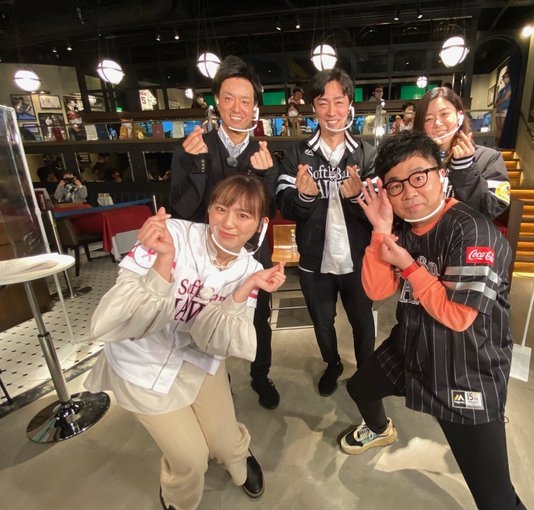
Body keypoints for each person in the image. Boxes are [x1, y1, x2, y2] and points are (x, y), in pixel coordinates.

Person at [339, 130, 525, 510]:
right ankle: (379, 429)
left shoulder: (473, 231)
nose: (408, 192)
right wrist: (380, 231)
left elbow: (458, 317)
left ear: (441, 174)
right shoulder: (402, 228)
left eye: (418, 177)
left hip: (466, 369)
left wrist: (409, 266)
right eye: (396, 185)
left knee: (496, 499)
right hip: (411, 346)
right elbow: (377, 290)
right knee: (360, 387)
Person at [85, 174, 286, 510]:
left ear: (260, 224)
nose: (228, 223)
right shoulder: (172, 234)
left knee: (225, 441)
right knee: (191, 458)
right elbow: (124, 317)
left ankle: (237, 458)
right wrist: (163, 261)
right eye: (221, 209)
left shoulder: (250, 268)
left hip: (197, 356)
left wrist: (244, 288)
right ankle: (179, 500)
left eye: (243, 215)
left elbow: (217, 340)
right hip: (141, 362)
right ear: (209, 209)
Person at [170, 55, 281, 410]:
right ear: (216, 101)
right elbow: (184, 211)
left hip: (251, 260)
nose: (237, 108)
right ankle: (219, 384)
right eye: (229, 98)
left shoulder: (263, 154)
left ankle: (261, 376)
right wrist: (198, 164)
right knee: (203, 320)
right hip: (203, 260)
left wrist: (265, 176)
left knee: (259, 319)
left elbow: (266, 215)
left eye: (245, 101)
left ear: (255, 107)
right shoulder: (193, 146)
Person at [276, 68, 376, 396]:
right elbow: (284, 205)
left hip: (358, 259)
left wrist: (359, 196)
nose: (331, 111)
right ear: (314, 108)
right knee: (322, 322)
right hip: (314, 259)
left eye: (339, 101)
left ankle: (366, 370)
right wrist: (303, 197)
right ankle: (332, 364)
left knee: (363, 321)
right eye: (323, 103)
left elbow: (380, 210)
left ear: (350, 105)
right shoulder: (297, 153)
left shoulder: (366, 153)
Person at [414, 87, 510, 219]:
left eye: (444, 114)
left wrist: (464, 169)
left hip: (466, 230)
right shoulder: (412, 160)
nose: (437, 123)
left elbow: (491, 209)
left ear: (459, 116)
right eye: (428, 119)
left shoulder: (488, 158)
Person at [494, 72, 512, 143]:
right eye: (504, 77)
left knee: (502, 127)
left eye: (507, 77)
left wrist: (498, 104)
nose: (505, 79)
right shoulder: (502, 89)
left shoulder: (510, 87)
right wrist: (497, 106)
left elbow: (506, 98)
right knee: (498, 127)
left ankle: (502, 141)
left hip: (504, 109)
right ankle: (497, 141)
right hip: (498, 109)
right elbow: (498, 99)